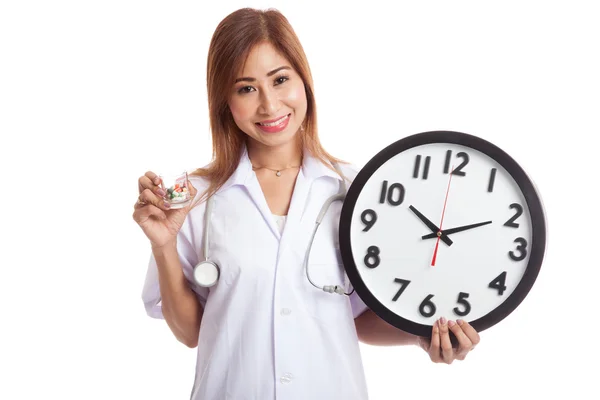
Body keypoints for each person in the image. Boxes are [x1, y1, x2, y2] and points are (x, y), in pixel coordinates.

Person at [132, 7, 480, 399]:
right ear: (224, 101)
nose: (269, 105)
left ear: (304, 81)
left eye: (280, 80)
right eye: (246, 88)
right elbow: (192, 332)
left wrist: (425, 336)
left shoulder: (357, 191)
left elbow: (360, 319)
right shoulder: (194, 199)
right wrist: (163, 245)